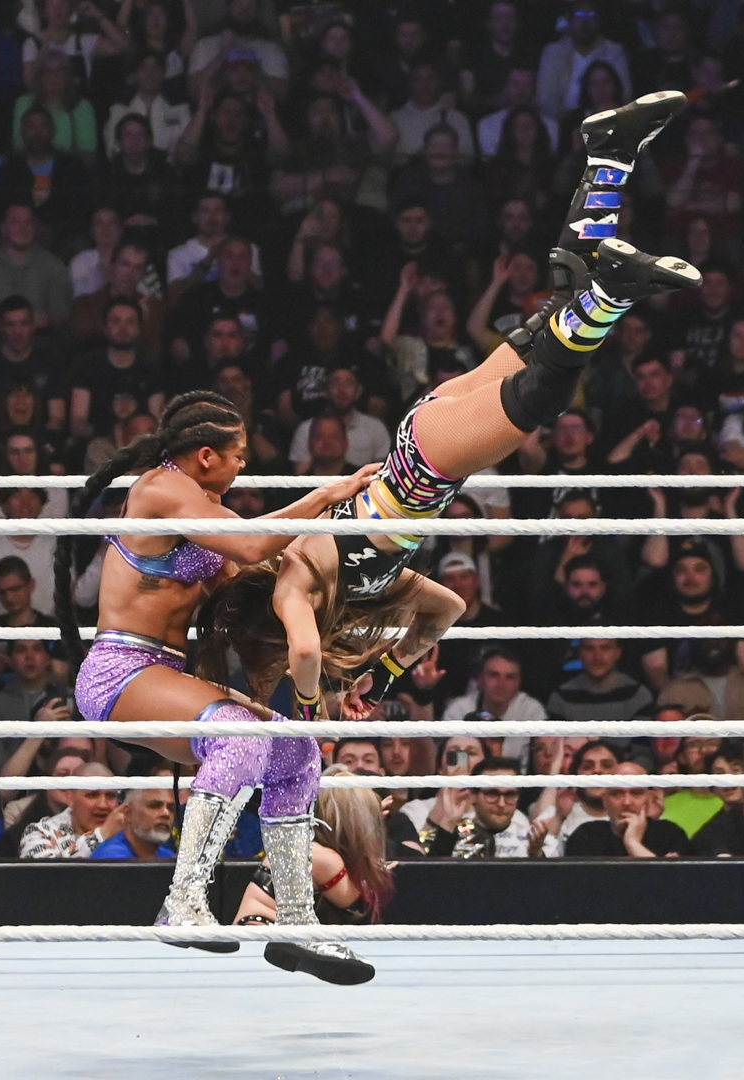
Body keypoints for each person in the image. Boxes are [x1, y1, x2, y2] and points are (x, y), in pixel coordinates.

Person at [201, 94, 702, 759]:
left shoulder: (295, 577)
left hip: (426, 466)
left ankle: (613, 293)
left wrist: (313, 715)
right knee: (558, 313)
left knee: (544, 395)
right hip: (425, 444)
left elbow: (304, 652)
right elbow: (448, 609)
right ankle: (610, 155)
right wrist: (384, 676)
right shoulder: (364, 587)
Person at [55, 389, 376, 981]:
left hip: (164, 674)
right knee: (238, 737)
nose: (243, 466)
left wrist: (335, 619)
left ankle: (297, 922)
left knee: (296, 751)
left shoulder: (205, 509)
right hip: (120, 671)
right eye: (238, 455)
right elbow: (253, 543)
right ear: (206, 455)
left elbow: (246, 584)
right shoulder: (160, 488)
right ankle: (183, 902)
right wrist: (325, 496)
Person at [234, 765, 395, 973]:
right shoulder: (319, 857)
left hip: (264, 941)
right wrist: (373, 862)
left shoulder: (312, 849)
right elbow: (356, 907)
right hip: (263, 941)